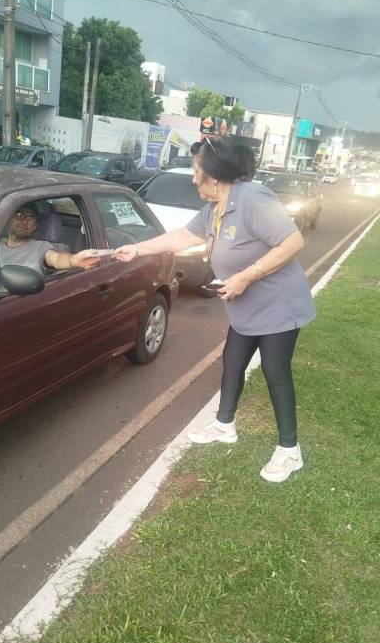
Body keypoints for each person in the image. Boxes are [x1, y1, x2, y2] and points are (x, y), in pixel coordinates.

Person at [115, 136, 316, 483]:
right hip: (246, 306)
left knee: (275, 371)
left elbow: (293, 241)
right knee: (232, 361)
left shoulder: (253, 199)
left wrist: (246, 276)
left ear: (215, 173)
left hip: (280, 305)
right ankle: (224, 425)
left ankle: (289, 449)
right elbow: (181, 237)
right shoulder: (214, 210)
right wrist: (137, 249)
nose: (194, 178)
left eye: (197, 170)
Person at [0, 204, 99, 274]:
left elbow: (56, 258)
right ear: (8, 219)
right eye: (19, 215)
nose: (24, 222)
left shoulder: (40, 247)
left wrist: (73, 260)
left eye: (29, 218)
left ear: (35, 226)